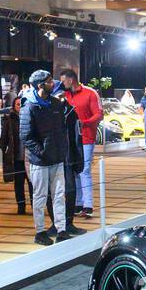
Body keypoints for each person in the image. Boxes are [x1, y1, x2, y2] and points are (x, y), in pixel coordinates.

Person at [19, 70, 73, 245]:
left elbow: (62, 130)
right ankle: (40, 231)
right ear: (40, 85)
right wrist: (42, 152)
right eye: (50, 81)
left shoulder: (56, 104)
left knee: (59, 195)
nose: (54, 83)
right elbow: (26, 136)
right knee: (40, 196)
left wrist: (61, 151)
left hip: (57, 159)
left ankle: (61, 230)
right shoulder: (29, 107)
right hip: (40, 162)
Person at [56, 69, 101, 220]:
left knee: (84, 170)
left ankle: (88, 205)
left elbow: (99, 114)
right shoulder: (64, 95)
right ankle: (78, 203)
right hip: (69, 140)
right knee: (74, 171)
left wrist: (85, 123)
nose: (62, 83)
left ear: (71, 79)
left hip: (86, 138)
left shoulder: (90, 93)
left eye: (63, 81)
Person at [0, 95, 27, 214]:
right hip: (16, 158)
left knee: (34, 185)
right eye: (18, 104)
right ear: (14, 106)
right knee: (18, 184)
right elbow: (3, 139)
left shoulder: (32, 117)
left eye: (22, 104)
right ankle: (21, 207)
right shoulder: (9, 120)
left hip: (31, 159)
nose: (20, 107)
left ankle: (37, 208)